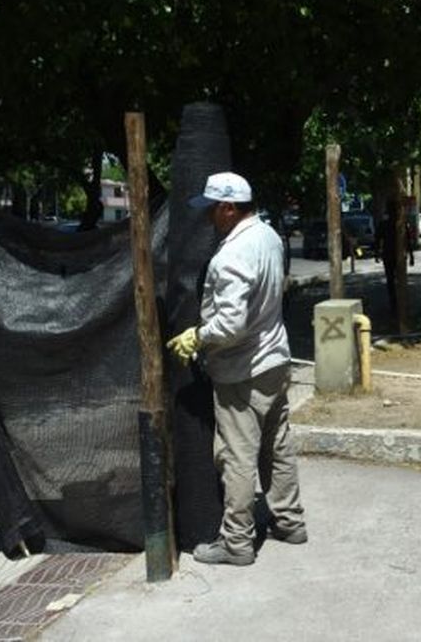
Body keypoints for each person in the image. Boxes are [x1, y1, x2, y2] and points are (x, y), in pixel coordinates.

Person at [167, 171, 306, 566]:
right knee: (277, 446)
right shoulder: (269, 237)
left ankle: (237, 543)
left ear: (228, 207)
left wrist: (198, 336)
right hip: (275, 360)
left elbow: (231, 324)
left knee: (236, 456)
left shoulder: (230, 256)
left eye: (212, 209)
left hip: (242, 370)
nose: (208, 217)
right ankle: (290, 521)